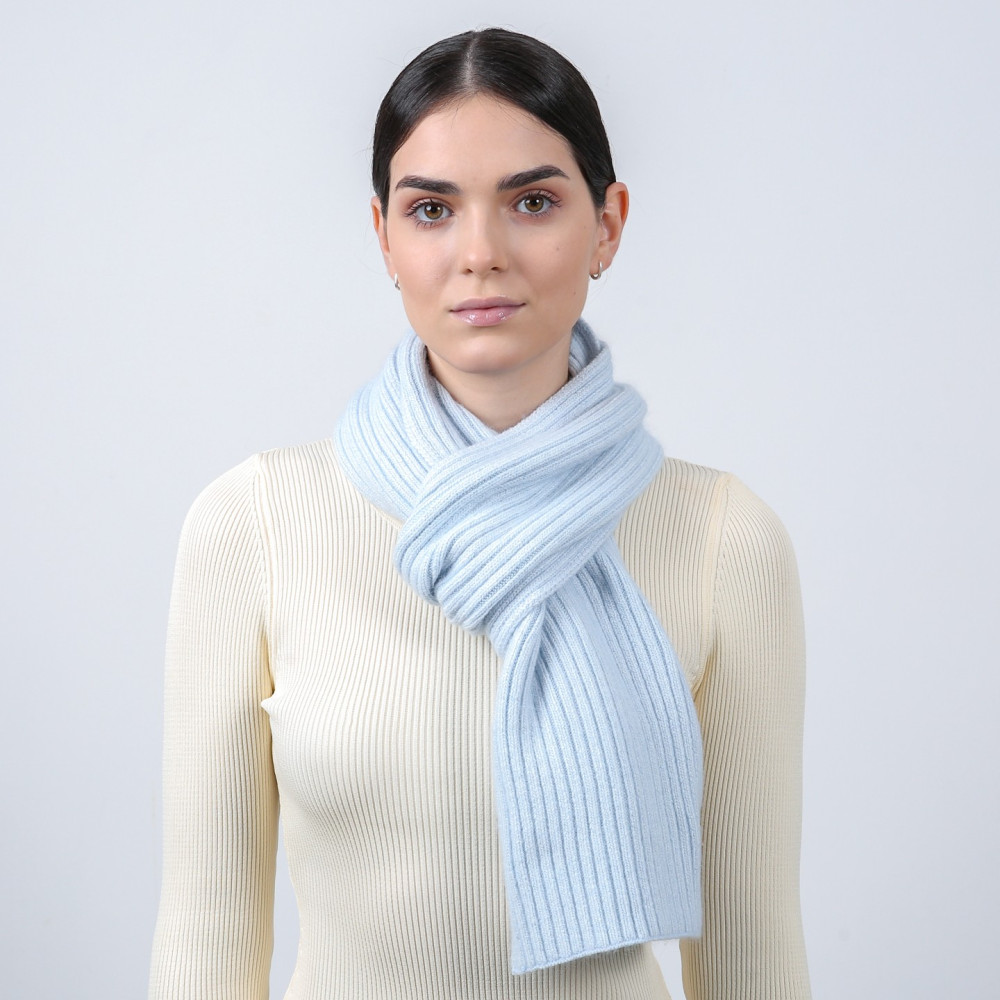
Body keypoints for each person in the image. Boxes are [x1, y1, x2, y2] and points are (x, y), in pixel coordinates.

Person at [148, 27, 810, 1000]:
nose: (480, 255)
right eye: (431, 209)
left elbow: (754, 948)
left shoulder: (722, 538)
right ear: (384, 236)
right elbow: (205, 935)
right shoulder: (254, 526)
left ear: (607, 226)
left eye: (532, 202)